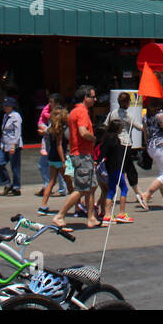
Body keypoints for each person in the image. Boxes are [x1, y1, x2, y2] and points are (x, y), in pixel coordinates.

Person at [54, 86, 100, 229]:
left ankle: (91, 217)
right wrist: (94, 138)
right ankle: (60, 215)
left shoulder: (74, 112)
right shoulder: (82, 112)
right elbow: (83, 132)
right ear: (86, 98)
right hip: (82, 154)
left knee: (91, 186)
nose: (95, 99)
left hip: (80, 154)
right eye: (93, 97)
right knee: (82, 188)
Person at [99, 119, 133, 224]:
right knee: (123, 188)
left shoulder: (106, 139)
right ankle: (121, 213)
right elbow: (118, 157)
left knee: (111, 190)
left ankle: (107, 214)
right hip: (115, 168)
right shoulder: (115, 140)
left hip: (108, 168)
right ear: (118, 128)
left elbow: (102, 154)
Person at [38, 103, 69, 214]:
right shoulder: (60, 129)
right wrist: (63, 161)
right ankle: (77, 206)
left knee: (51, 182)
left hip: (52, 158)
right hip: (60, 159)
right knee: (69, 183)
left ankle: (43, 205)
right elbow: (59, 146)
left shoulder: (51, 128)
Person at [0, 96, 23, 196]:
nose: (5, 107)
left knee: (15, 167)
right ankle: (7, 183)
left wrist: (14, 145)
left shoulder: (16, 116)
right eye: (4, 106)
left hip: (13, 145)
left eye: (7, 106)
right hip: (4, 145)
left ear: (12, 106)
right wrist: (1, 145)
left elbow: (17, 132)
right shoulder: (5, 116)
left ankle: (16, 187)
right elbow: (4, 132)